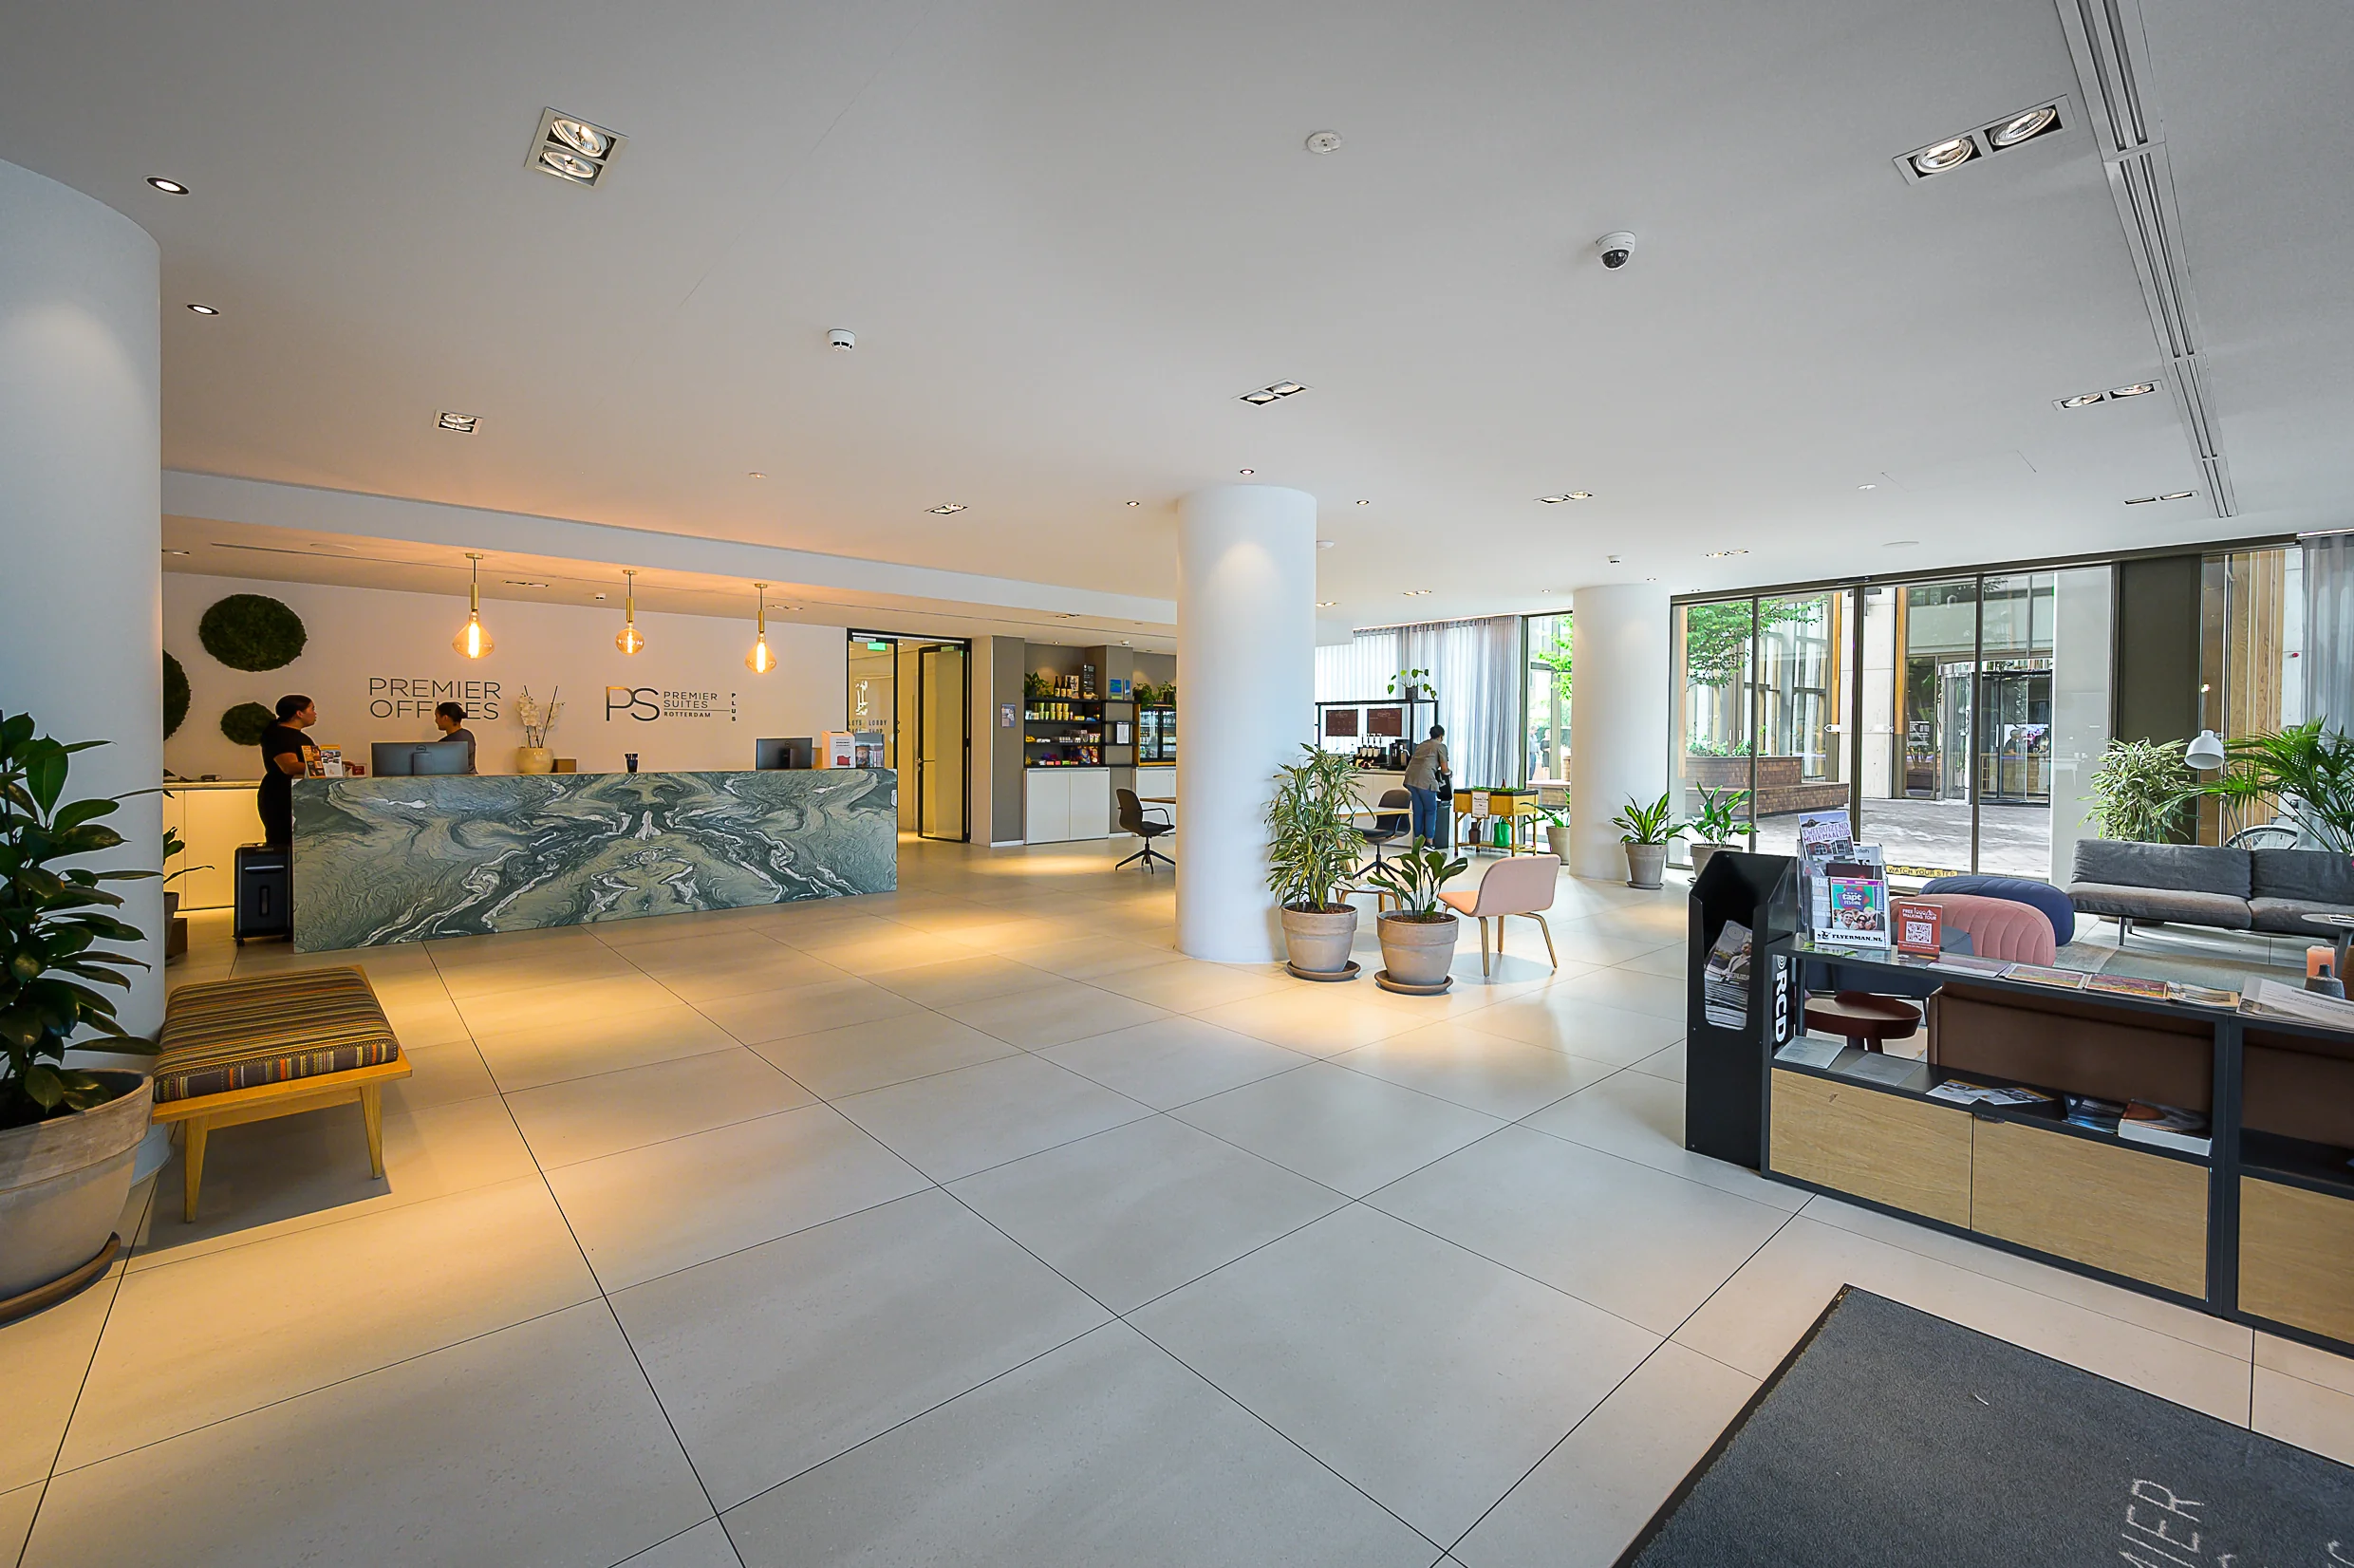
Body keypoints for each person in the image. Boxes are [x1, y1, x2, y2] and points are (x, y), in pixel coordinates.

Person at [256, 694, 316, 847]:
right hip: (282, 796)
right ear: (299, 713)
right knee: (284, 843)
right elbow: (288, 766)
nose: (315, 713)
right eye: (312, 709)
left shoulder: (300, 737)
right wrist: (326, 767)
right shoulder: (280, 735)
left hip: (299, 796)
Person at [1403, 723, 1449, 848]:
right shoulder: (1441, 746)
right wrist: (1449, 774)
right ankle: (1429, 842)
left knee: (1418, 810)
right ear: (1441, 736)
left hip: (1410, 779)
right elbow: (1445, 769)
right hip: (1425, 780)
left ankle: (1418, 842)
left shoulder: (1421, 744)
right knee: (1430, 810)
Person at [433, 701, 478, 774]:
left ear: (445, 718)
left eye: (437, 717)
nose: (436, 720)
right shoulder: (468, 735)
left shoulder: (445, 743)